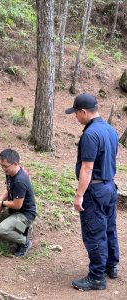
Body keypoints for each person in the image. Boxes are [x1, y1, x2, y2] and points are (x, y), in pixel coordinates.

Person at [65, 93, 119, 291]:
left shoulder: (90, 135)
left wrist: (79, 195)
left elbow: (87, 168)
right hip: (110, 187)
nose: (76, 117)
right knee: (109, 228)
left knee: (94, 232)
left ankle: (97, 277)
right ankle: (110, 266)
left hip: (94, 190)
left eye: (76, 113)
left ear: (84, 112)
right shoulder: (111, 130)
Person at [0, 149, 36, 257]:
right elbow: (8, 189)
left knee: (1, 230)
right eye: (1, 166)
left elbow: (17, 205)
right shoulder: (10, 173)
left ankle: (24, 241)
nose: (3, 169)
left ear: (15, 164)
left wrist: (2, 204)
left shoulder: (20, 180)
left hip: (24, 214)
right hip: (14, 210)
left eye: (5, 166)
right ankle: (20, 228)